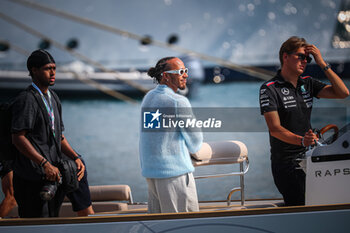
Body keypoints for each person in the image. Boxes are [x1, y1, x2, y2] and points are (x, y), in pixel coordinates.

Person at [259, 36, 349, 206]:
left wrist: (322, 62)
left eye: (307, 59)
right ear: (285, 57)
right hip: (287, 164)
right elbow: (275, 129)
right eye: (300, 56)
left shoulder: (308, 84)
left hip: (310, 158)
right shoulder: (269, 88)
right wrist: (301, 140)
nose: (305, 61)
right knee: (305, 205)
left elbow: (343, 93)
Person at [11, 49, 86, 218]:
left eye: (54, 68)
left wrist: (75, 157)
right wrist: (44, 163)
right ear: (34, 70)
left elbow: (59, 136)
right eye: (47, 68)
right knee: (36, 226)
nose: (52, 72)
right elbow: (18, 137)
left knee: (52, 221)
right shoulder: (27, 99)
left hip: (53, 176)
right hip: (31, 179)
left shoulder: (53, 98)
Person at [139, 57, 203, 213]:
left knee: (160, 227)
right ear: (166, 76)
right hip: (175, 175)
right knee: (185, 227)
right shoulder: (178, 101)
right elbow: (195, 142)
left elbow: (154, 135)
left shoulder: (149, 98)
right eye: (181, 72)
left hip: (152, 174)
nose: (185, 75)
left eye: (185, 71)